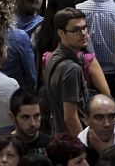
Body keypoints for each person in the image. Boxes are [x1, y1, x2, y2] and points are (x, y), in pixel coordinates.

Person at [44, 8, 108, 136]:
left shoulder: (52, 57)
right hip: (71, 139)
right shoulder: (71, 69)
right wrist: (84, 145)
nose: (83, 33)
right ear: (61, 33)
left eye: (84, 28)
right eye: (76, 30)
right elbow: (71, 118)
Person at [9, 88, 51, 156]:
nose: (33, 124)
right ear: (12, 117)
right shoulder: (5, 149)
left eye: (36, 116)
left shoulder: (51, 145)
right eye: (25, 117)